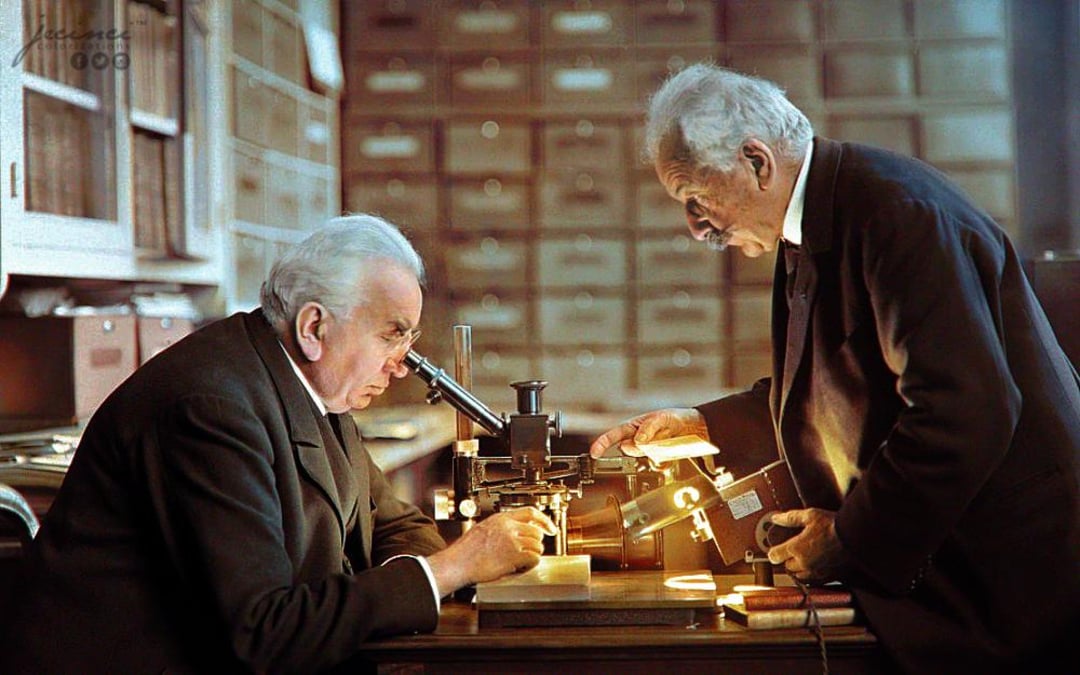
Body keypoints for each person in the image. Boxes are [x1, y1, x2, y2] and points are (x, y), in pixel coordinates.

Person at [589, 64, 1080, 673]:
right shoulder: (816, 221)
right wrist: (702, 425)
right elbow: (827, 386)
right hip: (954, 554)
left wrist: (848, 540)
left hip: (1007, 576)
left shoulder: (896, 214)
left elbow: (962, 412)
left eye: (695, 196)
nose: (695, 226)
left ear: (757, 161)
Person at [0, 215, 557, 674]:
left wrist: (443, 569)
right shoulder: (211, 409)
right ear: (314, 327)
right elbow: (261, 632)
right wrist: (454, 568)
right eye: (391, 335)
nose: (400, 365)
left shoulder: (311, 387)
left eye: (408, 341)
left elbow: (392, 524)